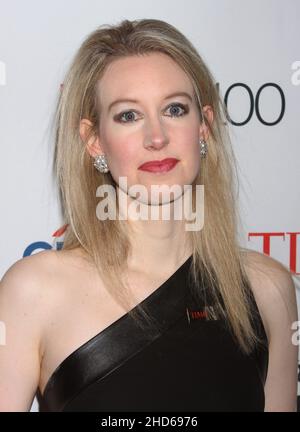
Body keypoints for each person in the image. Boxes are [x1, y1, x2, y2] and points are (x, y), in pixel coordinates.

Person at [0, 18, 298, 412]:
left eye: (175, 109)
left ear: (204, 127)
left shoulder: (268, 291)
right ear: (93, 141)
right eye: (128, 115)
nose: (156, 138)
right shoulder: (34, 291)